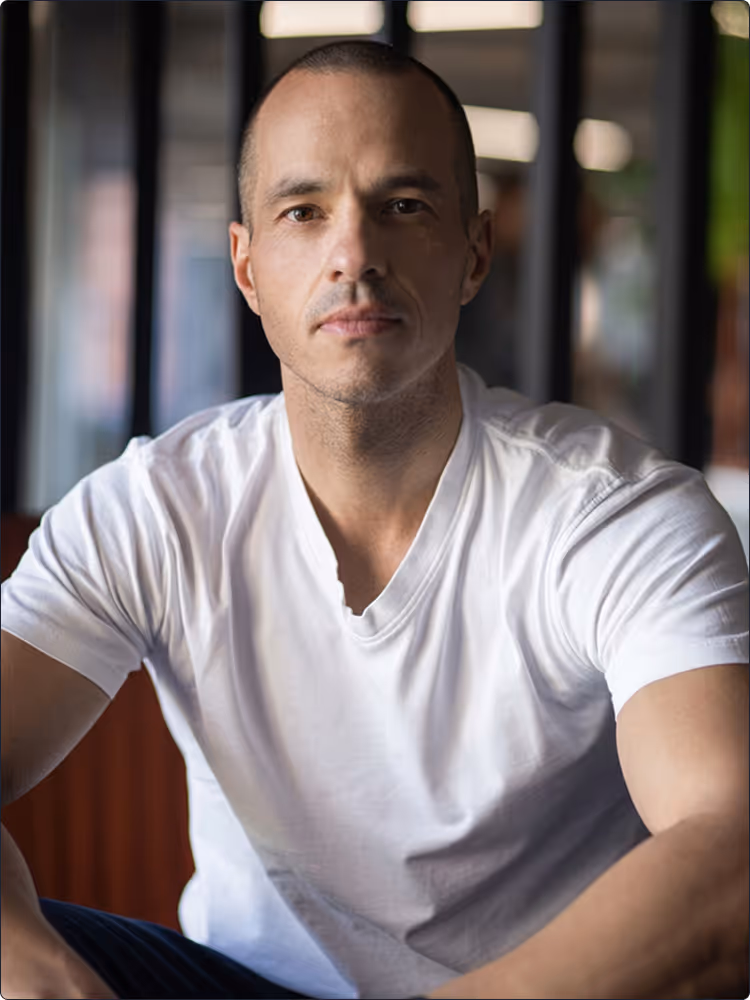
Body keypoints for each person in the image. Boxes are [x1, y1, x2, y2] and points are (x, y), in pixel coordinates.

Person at [1, 39, 748, 1000]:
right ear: (247, 266)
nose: (354, 253)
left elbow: (729, 846)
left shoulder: (616, 515)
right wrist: (36, 974)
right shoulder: (157, 506)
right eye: (303, 212)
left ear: (474, 252)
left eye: (403, 207)